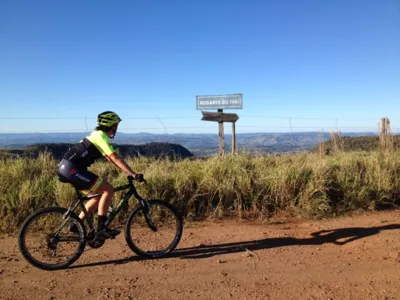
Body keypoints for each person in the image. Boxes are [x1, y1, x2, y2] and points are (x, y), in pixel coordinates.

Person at [56, 111, 143, 239]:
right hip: (72, 169)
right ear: (112, 126)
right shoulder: (101, 136)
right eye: (116, 125)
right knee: (108, 189)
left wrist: (126, 172)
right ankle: (102, 228)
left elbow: (110, 158)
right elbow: (115, 157)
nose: (116, 128)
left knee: (97, 196)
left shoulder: (97, 135)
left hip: (67, 168)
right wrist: (134, 174)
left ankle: (76, 224)